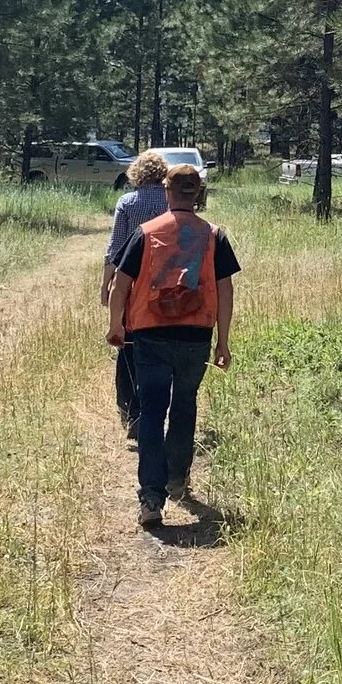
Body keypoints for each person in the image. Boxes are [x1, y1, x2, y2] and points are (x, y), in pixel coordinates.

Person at [106, 163, 238, 529]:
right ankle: (177, 478)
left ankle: (151, 497)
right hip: (196, 336)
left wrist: (116, 324)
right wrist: (223, 341)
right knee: (184, 405)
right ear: (197, 193)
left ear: (167, 190)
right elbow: (225, 291)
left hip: (150, 334)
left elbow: (120, 283)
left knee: (151, 411)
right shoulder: (214, 236)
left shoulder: (146, 233)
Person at [103, 151, 172, 440]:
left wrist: (106, 285)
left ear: (136, 174)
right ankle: (155, 411)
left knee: (128, 347)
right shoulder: (172, 202)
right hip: (167, 287)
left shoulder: (127, 203)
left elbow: (115, 249)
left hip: (131, 287)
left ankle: (131, 413)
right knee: (161, 348)